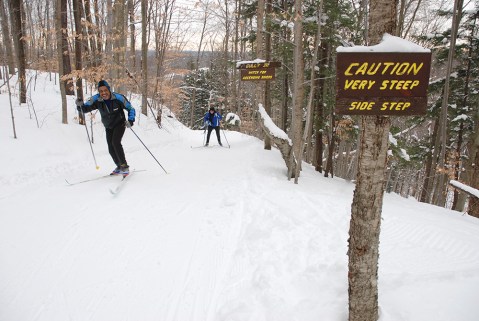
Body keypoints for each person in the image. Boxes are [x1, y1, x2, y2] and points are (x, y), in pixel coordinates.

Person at [76, 80, 136, 175]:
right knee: (110, 148)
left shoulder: (118, 98)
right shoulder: (96, 99)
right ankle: (119, 166)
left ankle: (124, 166)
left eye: (105, 90)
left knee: (115, 142)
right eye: (101, 91)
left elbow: (130, 108)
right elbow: (85, 109)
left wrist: (131, 120)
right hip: (108, 126)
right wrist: (79, 105)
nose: (103, 93)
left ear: (109, 89)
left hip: (120, 123)